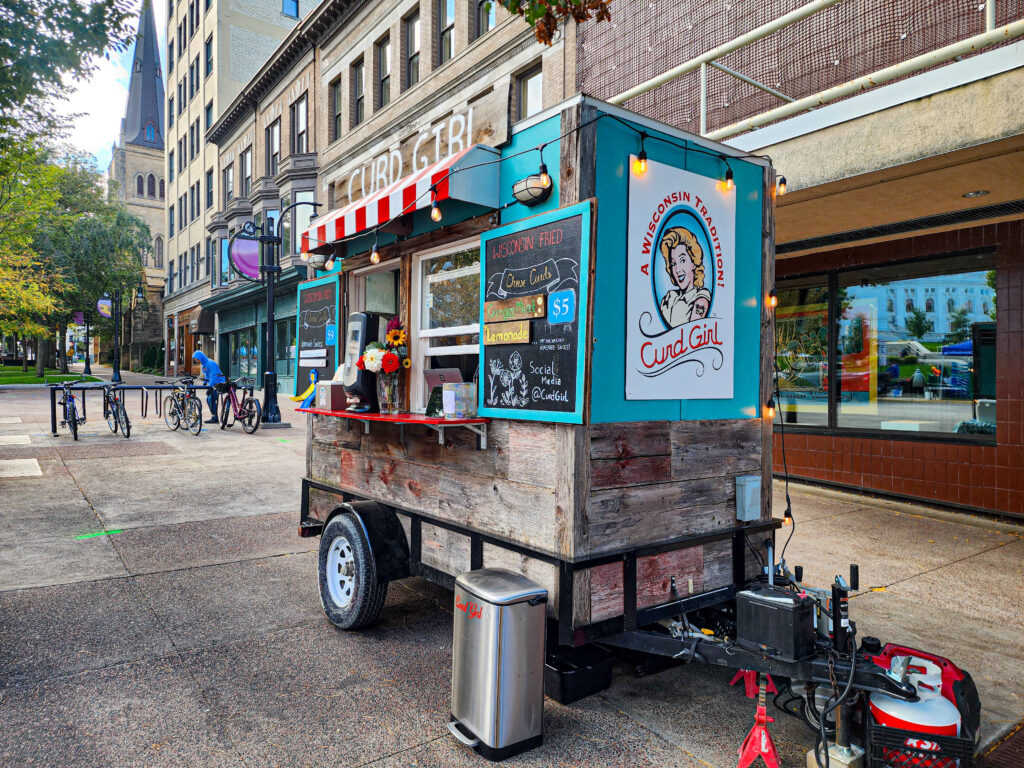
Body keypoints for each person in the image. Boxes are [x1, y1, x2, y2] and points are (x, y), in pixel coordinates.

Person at [657, 226, 713, 327]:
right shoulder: (668, 298)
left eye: (682, 260)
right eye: (673, 264)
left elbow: (694, 328)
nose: (677, 270)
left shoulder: (701, 298)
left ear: (693, 262)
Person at [192, 350, 226, 423]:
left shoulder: (211, 363)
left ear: (200, 357)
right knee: (209, 399)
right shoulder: (203, 365)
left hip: (218, 383)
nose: (196, 360)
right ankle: (214, 415)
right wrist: (205, 382)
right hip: (213, 384)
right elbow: (207, 375)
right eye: (195, 359)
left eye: (196, 359)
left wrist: (210, 387)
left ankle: (215, 417)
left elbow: (214, 376)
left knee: (210, 399)